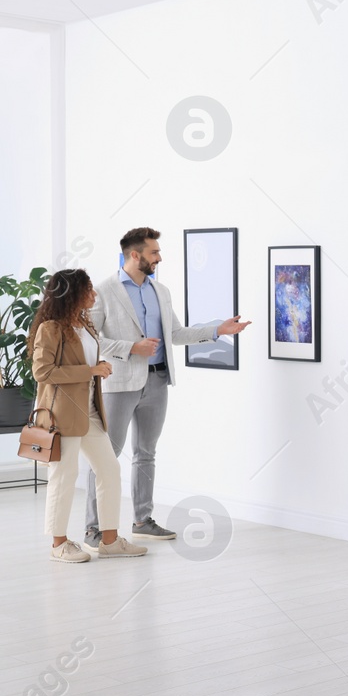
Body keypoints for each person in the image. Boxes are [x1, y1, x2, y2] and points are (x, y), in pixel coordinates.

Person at [84, 227, 250, 544]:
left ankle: (142, 519)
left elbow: (176, 334)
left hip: (158, 380)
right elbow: (93, 340)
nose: (159, 257)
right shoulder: (104, 290)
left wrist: (218, 329)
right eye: (154, 252)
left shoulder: (160, 290)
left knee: (146, 453)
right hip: (120, 383)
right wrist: (132, 347)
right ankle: (94, 527)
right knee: (105, 456)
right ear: (136, 255)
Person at [29, 269, 147, 562]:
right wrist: (90, 371)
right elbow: (42, 371)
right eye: (89, 289)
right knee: (64, 476)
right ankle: (59, 544)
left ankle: (109, 540)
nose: (94, 294)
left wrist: (99, 365)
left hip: (91, 412)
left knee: (109, 470)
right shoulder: (51, 328)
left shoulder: (84, 324)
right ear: (73, 293)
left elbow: (85, 361)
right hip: (62, 415)